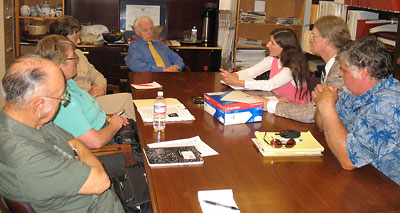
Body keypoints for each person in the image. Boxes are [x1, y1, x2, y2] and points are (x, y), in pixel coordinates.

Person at [0, 55, 124, 212]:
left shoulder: (33, 120)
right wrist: (81, 149)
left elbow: (74, 140)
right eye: (60, 97)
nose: (63, 101)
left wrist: (79, 146)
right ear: (38, 105)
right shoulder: (25, 157)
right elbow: (101, 182)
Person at [312, 36, 400, 185]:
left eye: (344, 70)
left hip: (386, 190)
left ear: (364, 73)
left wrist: (327, 105)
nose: (340, 74)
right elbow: (323, 126)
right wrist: (322, 100)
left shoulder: (388, 104)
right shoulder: (353, 92)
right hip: (362, 178)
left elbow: (349, 161)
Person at [50, 16, 136, 120]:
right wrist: (90, 94)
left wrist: (100, 89)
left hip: (94, 98)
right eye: (76, 38)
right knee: (127, 101)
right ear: (62, 39)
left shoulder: (78, 54)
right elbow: (67, 101)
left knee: (128, 101)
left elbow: (98, 76)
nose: (79, 42)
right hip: (82, 104)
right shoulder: (57, 62)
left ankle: (126, 132)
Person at [266, 16, 350, 123]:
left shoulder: (340, 71)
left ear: (326, 41)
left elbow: (312, 112)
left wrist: (269, 105)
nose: (310, 40)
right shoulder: (334, 65)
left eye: (313, 36)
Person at [220, 28, 310, 104]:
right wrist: (233, 76)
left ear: (284, 48)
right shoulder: (273, 60)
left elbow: (270, 84)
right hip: (278, 102)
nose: (267, 45)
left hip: (295, 109)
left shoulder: (292, 68)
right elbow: (252, 71)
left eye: (272, 43)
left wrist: (238, 82)